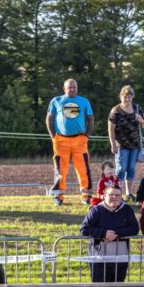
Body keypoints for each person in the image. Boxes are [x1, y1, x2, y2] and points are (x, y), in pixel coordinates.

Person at [79, 185, 139, 287]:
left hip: (120, 257)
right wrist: (103, 233)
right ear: (104, 196)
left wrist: (116, 234)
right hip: (99, 258)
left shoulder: (126, 210)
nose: (114, 198)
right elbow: (84, 229)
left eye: (117, 196)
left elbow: (134, 228)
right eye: (111, 195)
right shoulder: (96, 210)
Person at [46, 78, 94, 206]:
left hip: (80, 140)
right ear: (64, 89)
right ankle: (58, 196)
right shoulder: (56, 101)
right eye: (69, 87)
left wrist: (86, 136)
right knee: (60, 170)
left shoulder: (84, 101)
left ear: (77, 88)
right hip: (61, 140)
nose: (72, 89)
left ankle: (86, 195)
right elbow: (49, 119)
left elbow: (90, 119)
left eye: (74, 87)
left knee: (83, 168)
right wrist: (53, 137)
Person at [108, 85, 144, 203]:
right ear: (121, 97)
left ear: (132, 97)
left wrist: (140, 119)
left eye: (129, 97)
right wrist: (113, 144)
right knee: (121, 169)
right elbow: (111, 129)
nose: (127, 99)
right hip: (121, 145)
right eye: (125, 97)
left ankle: (128, 194)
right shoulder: (115, 110)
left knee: (131, 169)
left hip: (135, 145)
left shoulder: (137, 108)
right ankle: (116, 194)